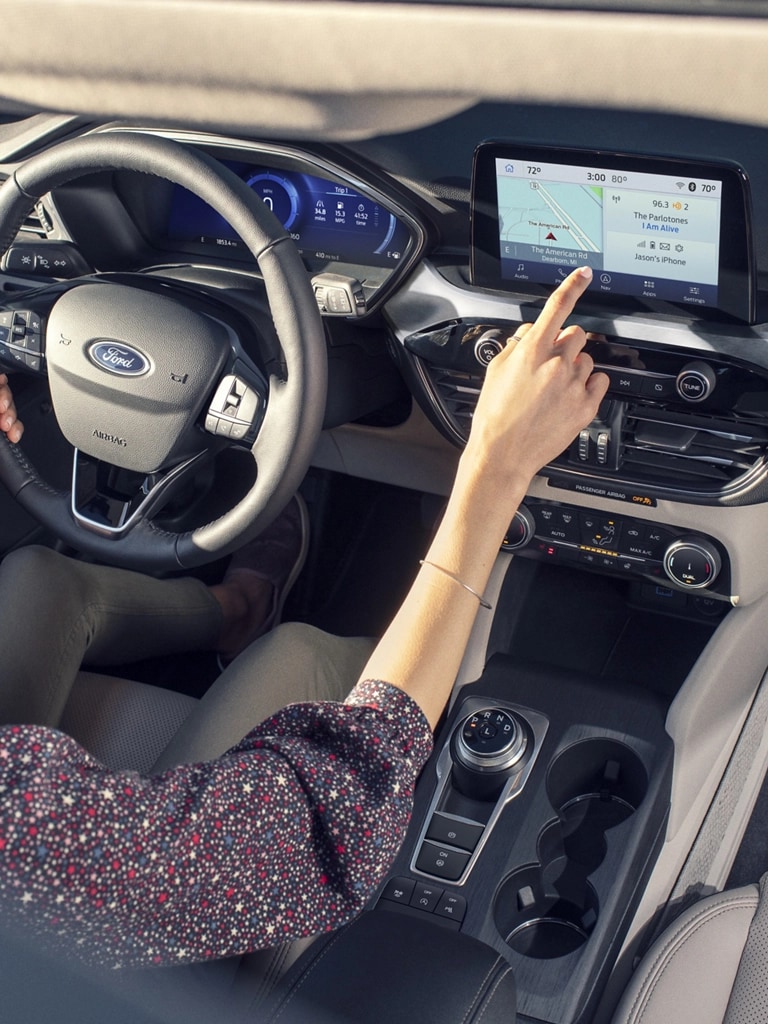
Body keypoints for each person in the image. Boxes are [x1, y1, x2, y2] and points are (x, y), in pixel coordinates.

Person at [0, 267, 608, 971]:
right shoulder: (34, 848)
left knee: (39, 579)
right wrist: (496, 467)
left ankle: (235, 610)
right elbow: (327, 812)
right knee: (300, 654)